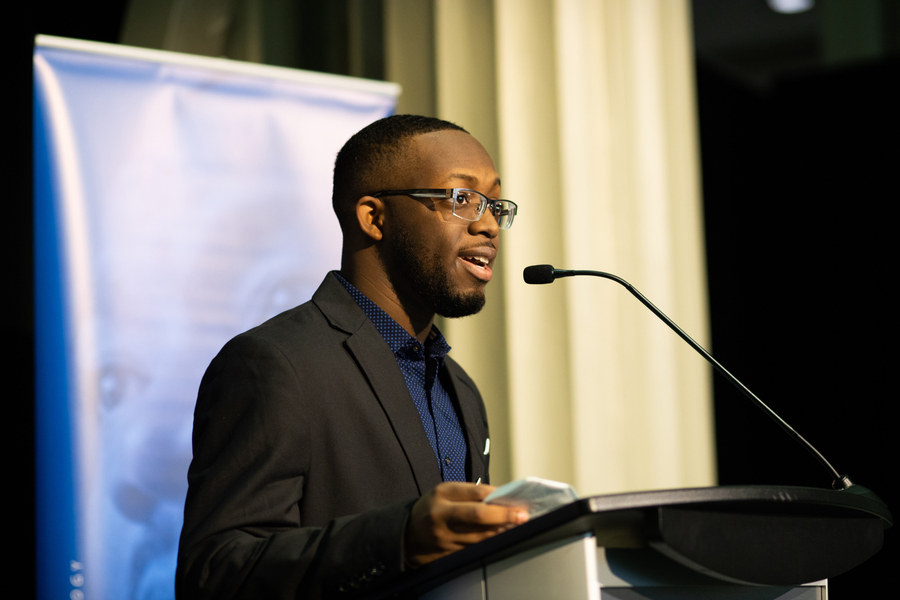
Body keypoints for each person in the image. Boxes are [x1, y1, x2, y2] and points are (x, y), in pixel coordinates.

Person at [176, 115, 526, 599]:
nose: (488, 224)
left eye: (494, 203)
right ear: (373, 217)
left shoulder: (460, 389)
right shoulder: (274, 365)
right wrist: (398, 538)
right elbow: (214, 573)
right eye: (461, 199)